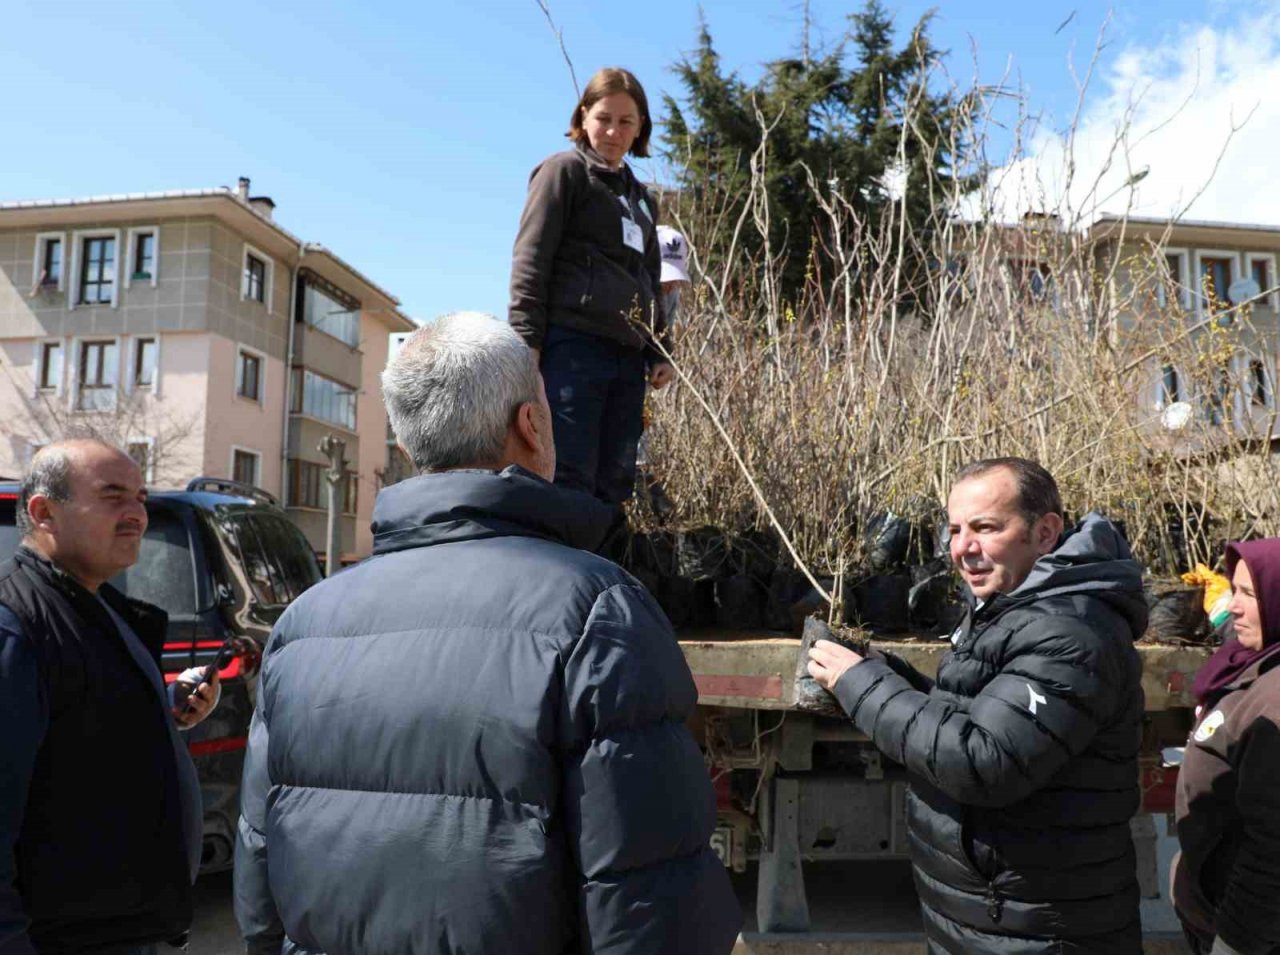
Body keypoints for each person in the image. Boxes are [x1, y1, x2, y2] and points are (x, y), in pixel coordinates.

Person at [234, 312, 740, 955]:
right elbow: (650, 901)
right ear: (531, 424)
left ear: (411, 445)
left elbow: (259, 874)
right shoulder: (596, 608)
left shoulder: (301, 626)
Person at [808, 457, 1146, 954]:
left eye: (985, 528)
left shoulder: (1070, 634)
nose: (963, 548)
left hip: (1037, 932)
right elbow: (975, 713)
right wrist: (888, 674)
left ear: (1045, 532)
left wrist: (861, 684)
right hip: (997, 920)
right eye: (954, 530)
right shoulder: (1012, 607)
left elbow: (983, 761)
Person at [0, 439, 219, 955]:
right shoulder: (16, 626)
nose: (137, 515)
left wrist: (165, 708)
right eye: (113, 496)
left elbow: (76, 725)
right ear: (44, 512)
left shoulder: (95, 607)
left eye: (141, 498)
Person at [509, 66, 674, 506]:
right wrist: (526, 341)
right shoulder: (563, 173)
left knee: (616, 481)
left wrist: (660, 349)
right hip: (572, 348)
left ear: (640, 128)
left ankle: (603, 554)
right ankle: (559, 553)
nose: (613, 131)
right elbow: (531, 257)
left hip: (628, 358)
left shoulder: (641, 199)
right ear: (583, 116)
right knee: (568, 472)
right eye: (604, 118)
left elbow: (650, 277)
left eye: (626, 121)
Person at [1172, 539, 1280, 955]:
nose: (1233, 606)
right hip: (1211, 906)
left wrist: (1235, 944)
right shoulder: (1249, 660)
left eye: (1250, 594)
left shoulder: (1275, 701)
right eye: (1234, 590)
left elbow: (1271, 848)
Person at [656, 224, 691, 332]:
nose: (671, 285)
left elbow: (666, 333)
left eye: (673, 279)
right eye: (665, 281)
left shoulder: (672, 294)